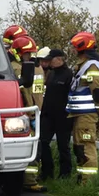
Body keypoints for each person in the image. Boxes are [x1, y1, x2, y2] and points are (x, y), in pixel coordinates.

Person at [10, 35, 47, 193]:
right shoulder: (17, 68)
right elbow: (25, 94)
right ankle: (29, 181)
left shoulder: (29, 67)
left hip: (35, 112)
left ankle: (30, 179)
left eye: (31, 53)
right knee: (30, 148)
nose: (29, 57)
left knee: (34, 148)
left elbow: (37, 92)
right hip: (27, 114)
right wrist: (32, 116)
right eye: (27, 54)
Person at [67, 31, 99, 183]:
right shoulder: (82, 66)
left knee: (86, 147)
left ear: (82, 47)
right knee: (80, 148)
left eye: (74, 47)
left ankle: (88, 183)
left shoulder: (92, 66)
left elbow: (96, 90)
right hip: (79, 115)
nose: (72, 50)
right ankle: (81, 178)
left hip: (87, 115)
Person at [39, 48, 74, 180]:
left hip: (63, 118)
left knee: (63, 147)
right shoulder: (51, 74)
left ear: (59, 59)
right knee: (43, 142)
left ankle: (65, 175)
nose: (49, 61)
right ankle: (47, 172)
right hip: (48, 116)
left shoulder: (69, 75)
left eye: (51, 59)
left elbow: (71, 96)